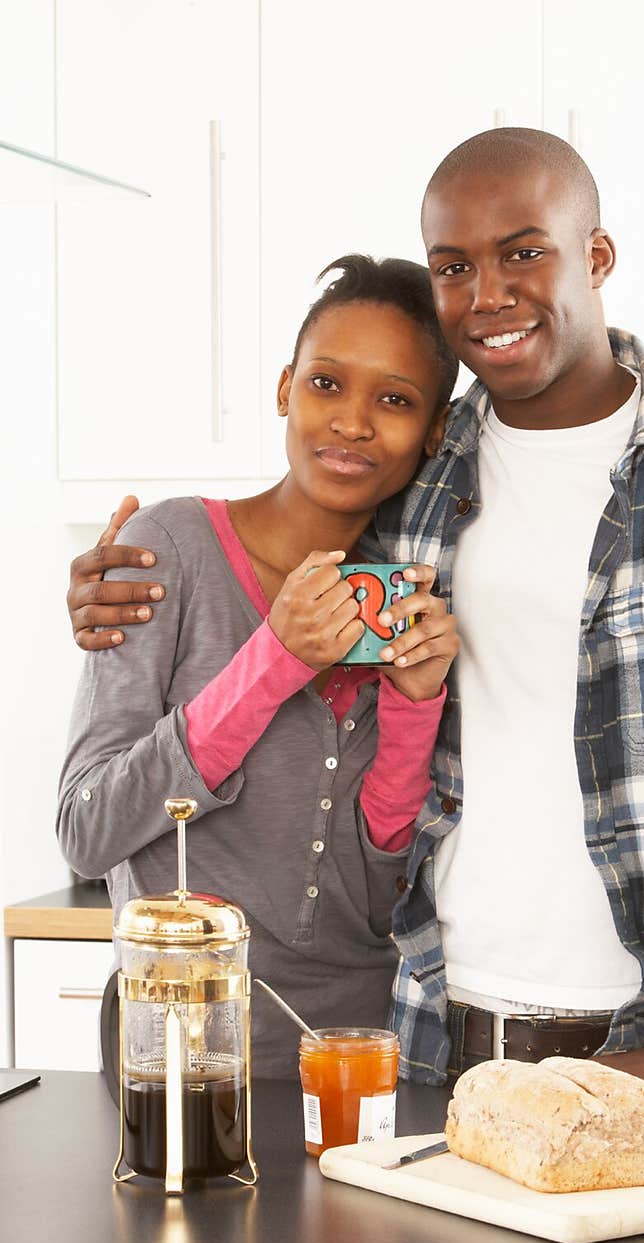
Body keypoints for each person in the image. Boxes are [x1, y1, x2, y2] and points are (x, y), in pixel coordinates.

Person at [65, 129, 644, 1105]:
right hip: (436, 1050)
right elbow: (278, 543)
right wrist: (122, 577)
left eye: (522, 251)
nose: (487, 293)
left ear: (597, 255)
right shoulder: (417, 473)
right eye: (454, 266)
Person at [57, 254, 460, 1078]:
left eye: (394, 400)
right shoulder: (167, 549)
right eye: (326, 384)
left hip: (359, 1055)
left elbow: (382, 887)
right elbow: (86, 828)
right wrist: (273, 660)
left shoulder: (402, 596)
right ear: (284, 388)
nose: (352, 422)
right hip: (176, 1045)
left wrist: (416, 708)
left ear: (434, 432)